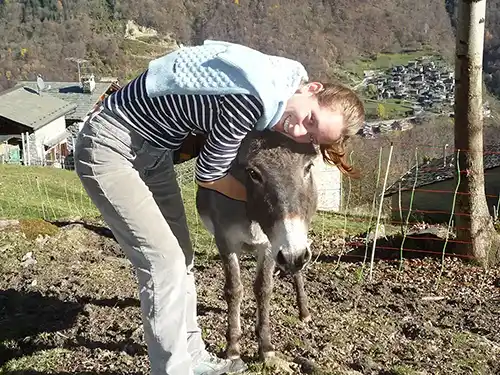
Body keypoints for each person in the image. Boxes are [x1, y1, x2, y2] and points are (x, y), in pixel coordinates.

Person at [74, 40, 365, 375]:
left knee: (182, 259)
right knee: (163, 264)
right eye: (310, 118)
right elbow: (209, 174)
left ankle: (194, 357)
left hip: (153, 154)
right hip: (111, 148)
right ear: (312, 88)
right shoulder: (251, 102)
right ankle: (172, 370)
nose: (299, 130)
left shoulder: (284, 77)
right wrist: (265, 200)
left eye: (311, 134)